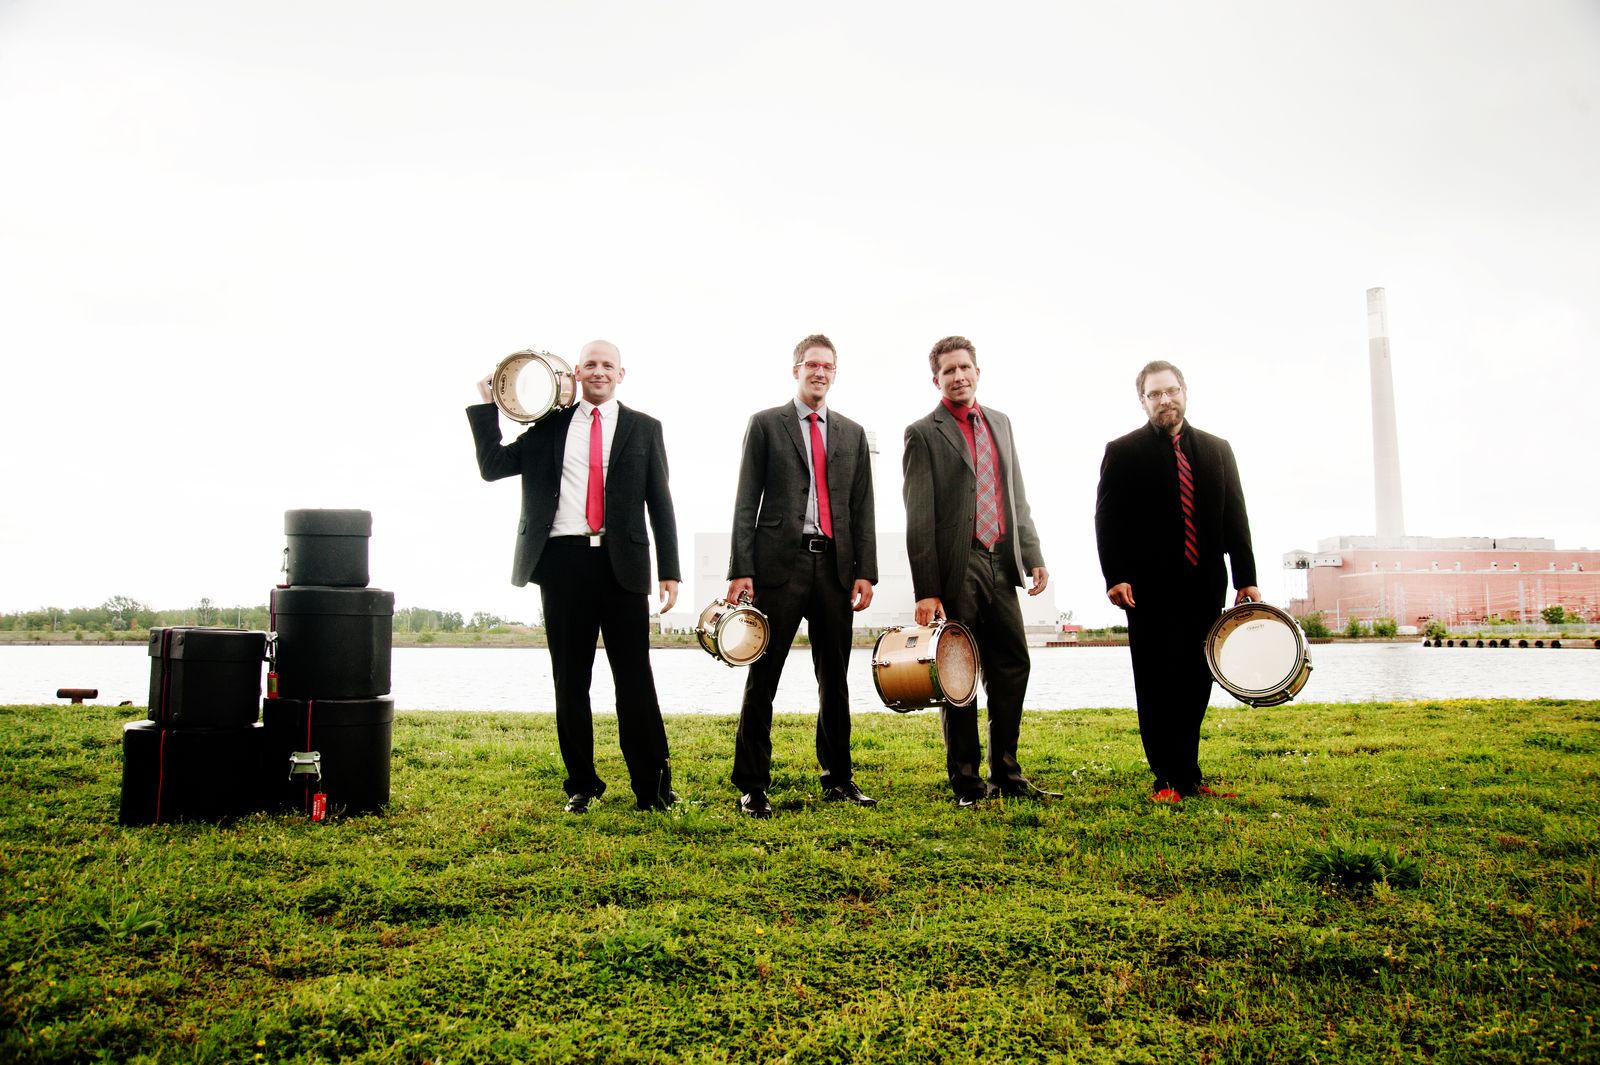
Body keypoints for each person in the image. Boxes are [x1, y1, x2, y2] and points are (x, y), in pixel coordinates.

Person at [467, 339, 680, 813]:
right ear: (575, 374)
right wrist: (487, 405)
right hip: (562, 564)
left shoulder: (646, 428)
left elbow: (660, 501)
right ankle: (581, 786)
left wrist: (670, 569)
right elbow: (492, 466)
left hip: (624, 566)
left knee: (635, 680)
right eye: (590, 364)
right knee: (570, 680)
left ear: (621, 374)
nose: (599, 371)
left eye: (608, 365)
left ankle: (653, 789)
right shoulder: (549, 425)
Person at [726, 334, 878, 819]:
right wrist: (741, 568)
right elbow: (746, 500)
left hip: (835, 568)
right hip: (779, 566)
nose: (819, 372)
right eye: (811, 364)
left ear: (835, 373)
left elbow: (862, 508)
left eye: (827, 366)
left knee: (835, 679)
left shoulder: (853, 433)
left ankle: (839, 778)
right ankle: (752, 785)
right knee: (763, 676)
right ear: (796, 370)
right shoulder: (766, 424)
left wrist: (866, 572)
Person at [1094, 360, 1259, 804]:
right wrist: (1115, 575)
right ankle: (1166, 780)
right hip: (1147, 590)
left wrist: (1246, 578)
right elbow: (1108, 519)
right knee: (1156, 684)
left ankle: (1189, 773)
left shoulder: (1218, 450)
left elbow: (1236, 516)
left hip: (1205, 586)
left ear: (1185, 391)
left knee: (1196, 683)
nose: (1164, 400)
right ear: (1142, 401)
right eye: (1154, 394)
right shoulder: (1122, 451)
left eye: (1171, 391)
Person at [902, 335, 1057, 808]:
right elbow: (918, 518)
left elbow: (1016, 495)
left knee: (1013, 665)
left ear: (977, 371)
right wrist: (927, 590)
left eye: (964, 367)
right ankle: (967, 782)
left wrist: (1032, 554)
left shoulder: (1001, 423)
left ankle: (1006, 772)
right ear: (936, 380)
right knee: (958, 672)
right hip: (957, 567)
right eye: (948, 370)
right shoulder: (922, 433)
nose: (958, 376)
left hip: (1002, 561)